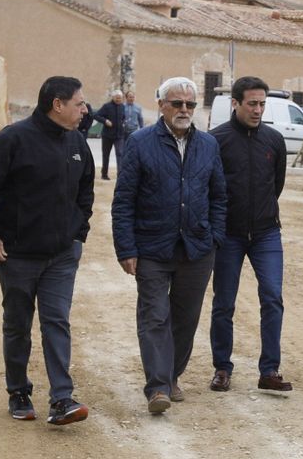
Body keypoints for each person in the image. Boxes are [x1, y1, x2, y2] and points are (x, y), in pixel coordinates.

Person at [0, 75, 95, 426]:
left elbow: (86, 192)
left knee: (56, 322)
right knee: (18, 325)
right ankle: (18, 391)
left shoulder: (77, 144)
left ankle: (61, 399)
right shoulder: (12, 140)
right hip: (17, 256)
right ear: (58, 104)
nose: (85, 109)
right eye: (79, 103)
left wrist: (78, 234)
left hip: (61, 256)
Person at [112, 76, 226, 414]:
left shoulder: (208, 145)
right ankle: (158, 387)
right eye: (177, 103)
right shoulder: (140, 142)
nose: (184, 110)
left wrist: (214, 237)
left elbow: (219, 195)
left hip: (197, 248)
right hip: (151, 247)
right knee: (154, 316)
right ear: (161, 105)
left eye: (190, 104)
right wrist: (126, 248)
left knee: (185, 317)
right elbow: (124, 200)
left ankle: (173, 374)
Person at [208, 75, 291, 394]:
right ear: (236, 103)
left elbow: (277, 184)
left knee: (272, 298)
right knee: (224, 302)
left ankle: (269, 370)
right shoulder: (216, 140)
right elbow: (210, 188)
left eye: (262, 104)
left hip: (267, 234)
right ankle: (221, 368)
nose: (258, 110)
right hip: (228, 235)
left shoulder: (274, 140)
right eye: (252, 103)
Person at [95, 89, 125, 179]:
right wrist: (105, 121)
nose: (119, 100)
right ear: (113, 97)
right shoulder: (106, 106)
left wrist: (123, 122)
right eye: (117, 98)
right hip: (107, 135)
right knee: (106, 154)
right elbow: (96, 115)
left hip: (119, 135)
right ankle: (104, 174)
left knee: (120, 153)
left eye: (120, 98)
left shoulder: (122, 106)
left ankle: (120, 174)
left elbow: (123, 117)